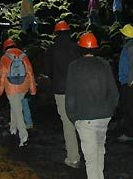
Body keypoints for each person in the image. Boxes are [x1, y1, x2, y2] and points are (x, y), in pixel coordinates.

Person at [66, 33, 119, 179]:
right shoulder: (104, 65)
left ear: (80, 49)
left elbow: (70, 96)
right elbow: (114, 93)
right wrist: (109, 111)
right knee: (99, 151)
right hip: (104, 117)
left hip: (85, 118)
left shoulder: (74, 66)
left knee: (90, 158)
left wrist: (73, 117)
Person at [44, 20, 81, 168]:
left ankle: (74, 158)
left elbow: (47, 71)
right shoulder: (76, 48)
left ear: (56, 33)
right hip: (78, 90)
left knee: (68, 124)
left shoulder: (52, 49)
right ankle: (90, 153)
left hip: (61, 90)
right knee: (82, 122)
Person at [0, 38, 37, 147]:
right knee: (15, 107)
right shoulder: (24, 56)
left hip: (11, 87)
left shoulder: (4, 58)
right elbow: (30, 73)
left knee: (18, 111)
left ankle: (24, 137)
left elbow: (1, 76)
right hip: (23, 87)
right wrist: (32, 90)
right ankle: (12, 129)